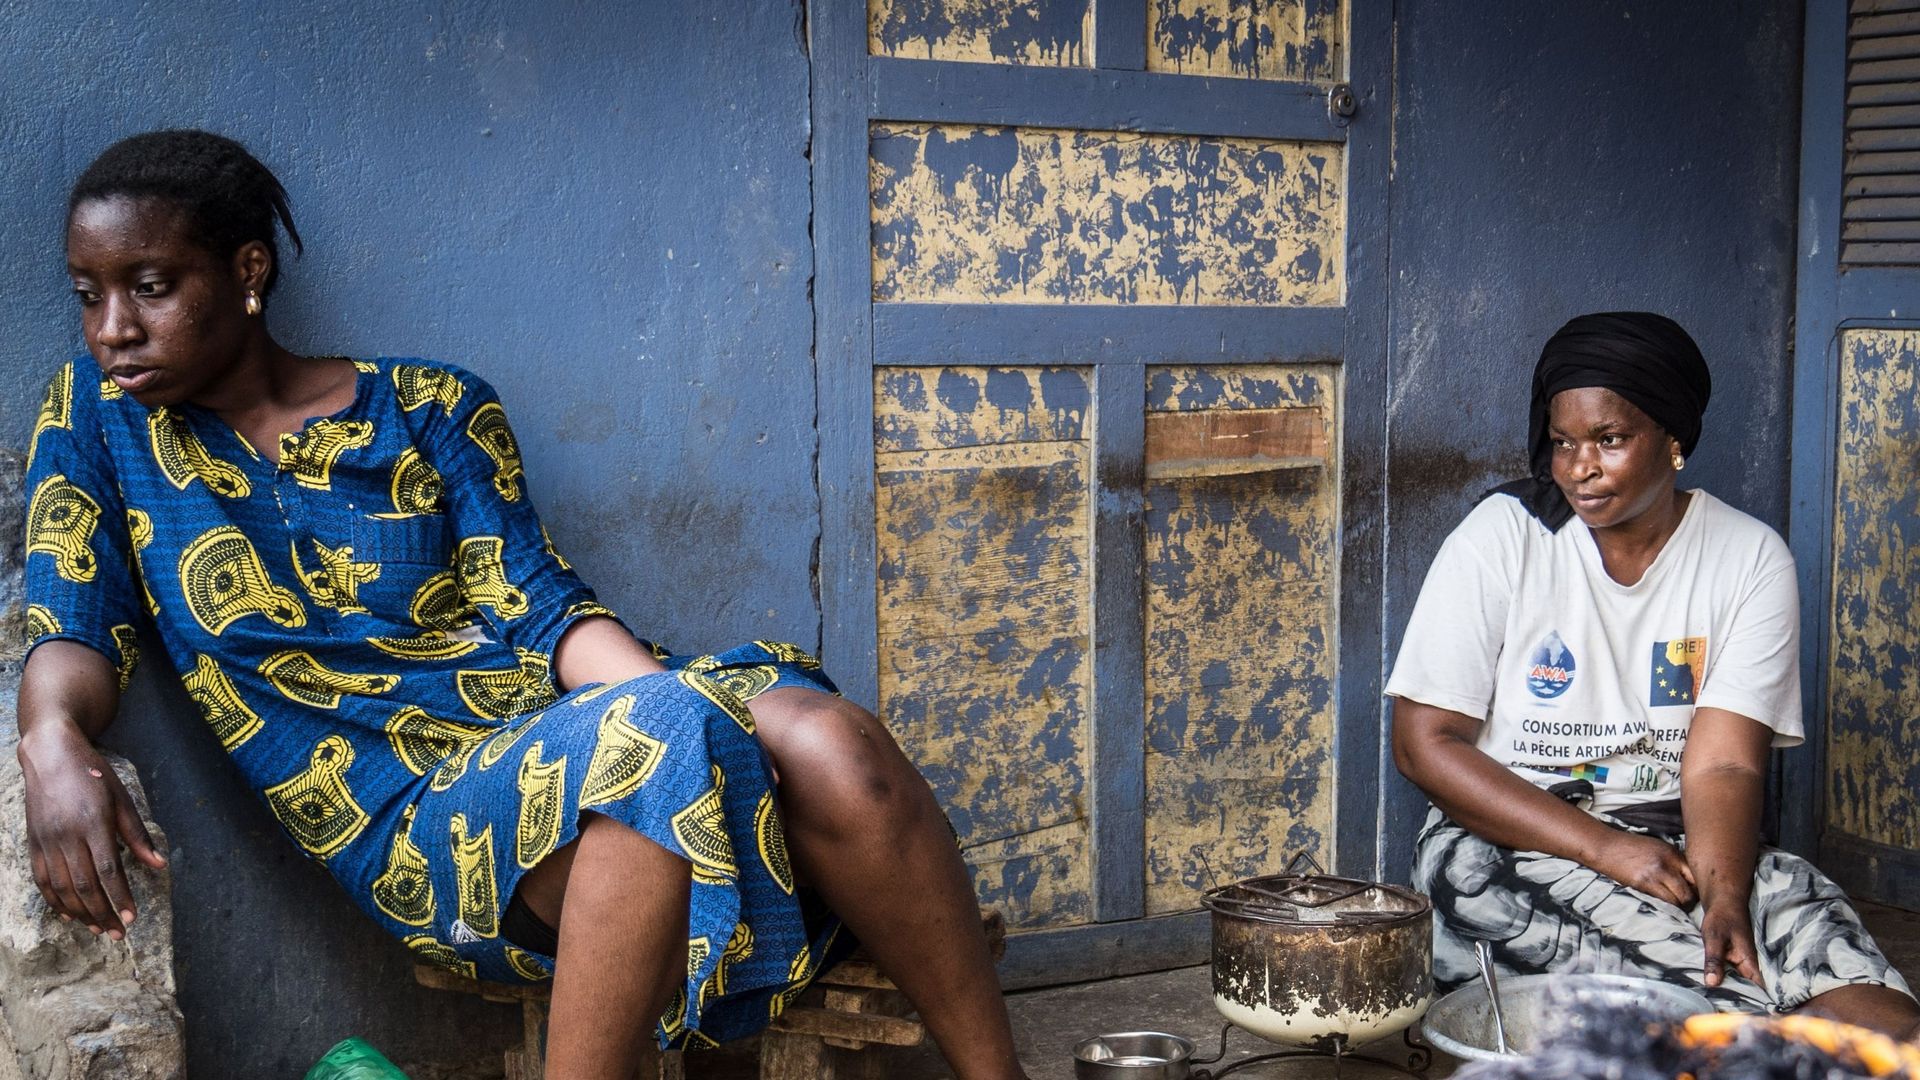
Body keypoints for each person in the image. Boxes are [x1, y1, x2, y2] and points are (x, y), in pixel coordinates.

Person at [17, 129, 1029, 1080]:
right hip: (415, 815)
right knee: (660, 739)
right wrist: (50, 738)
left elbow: (541, 611)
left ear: (246, 272)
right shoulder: (99, 426)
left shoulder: (432, 405)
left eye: (150, 288)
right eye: (89, 294)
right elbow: (73, 622)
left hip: (565, 725)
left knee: (822, 740)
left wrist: (680, 727)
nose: (113, 328)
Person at [1388, 312, 1919, 1038]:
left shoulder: (1747, 557)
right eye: (1564, 442)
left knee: (1885, 1022)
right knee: (1737, 1020)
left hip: (1685, 846)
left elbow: (1725, 764)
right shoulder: (1504, 534)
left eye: (1609, 440)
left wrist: (1726, 893)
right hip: (1511, 846)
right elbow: (1425, 743)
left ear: (1673, 441)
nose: (1579, 466)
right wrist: (1604, 847)